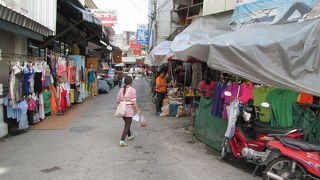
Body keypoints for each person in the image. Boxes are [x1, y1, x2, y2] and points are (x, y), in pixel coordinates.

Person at [116, 76, 142, 147]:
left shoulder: (121, 89)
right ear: (131, 82)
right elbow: (133, 102)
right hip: (129, 110)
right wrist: (138, 110)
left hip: (122, 110)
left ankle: (130, 136)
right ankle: (121, 140)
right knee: (127, 125)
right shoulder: (132, 90)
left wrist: (120, 106)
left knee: (127, 124)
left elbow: (117, 100)